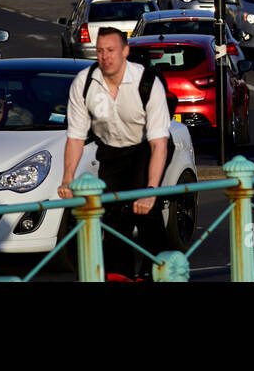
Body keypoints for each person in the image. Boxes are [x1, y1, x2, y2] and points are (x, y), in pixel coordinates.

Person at [59, 27, 171, 279]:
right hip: (111, 150)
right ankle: (118, 275)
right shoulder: (84, 83)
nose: (105, 57)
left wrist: (152, 190)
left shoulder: (147, 82)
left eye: (111, 50)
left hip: (146, 147)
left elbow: (159, 144)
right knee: (113, 215)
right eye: (100, 51)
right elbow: (76, 137)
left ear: (125, 51)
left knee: (144, 208)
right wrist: (67, 179)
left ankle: (159, 270)